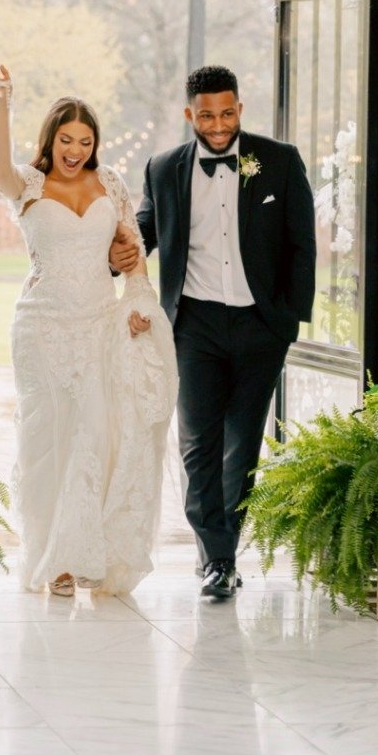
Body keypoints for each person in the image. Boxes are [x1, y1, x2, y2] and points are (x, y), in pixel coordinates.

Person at [0, 59, 178, 596]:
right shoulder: (28, 185)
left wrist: (138, 304)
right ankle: (52, 559)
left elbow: (133, 255)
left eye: (85, 141)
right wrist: (1, 102)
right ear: (51, 139)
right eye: (66, 139)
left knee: (94, 436)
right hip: (40, 329)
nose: (76, 150)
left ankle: (85, 552)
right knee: (48, 440)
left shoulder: (109, 183)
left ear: (95, 144)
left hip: (97, 325)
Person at [122, 64, 315, 600]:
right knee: (198, 444)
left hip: (261, 324)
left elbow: (303, 244)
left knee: (242, 444)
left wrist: (287, 321)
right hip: (195, 324)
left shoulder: (278, 161)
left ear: (239, 109)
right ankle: (220, 558)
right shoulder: (163, 168)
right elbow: (144, 231)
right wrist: (114, 255)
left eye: (226, 113)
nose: (217, 124)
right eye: (206, 115)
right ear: (190, 114)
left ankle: (219, 557)